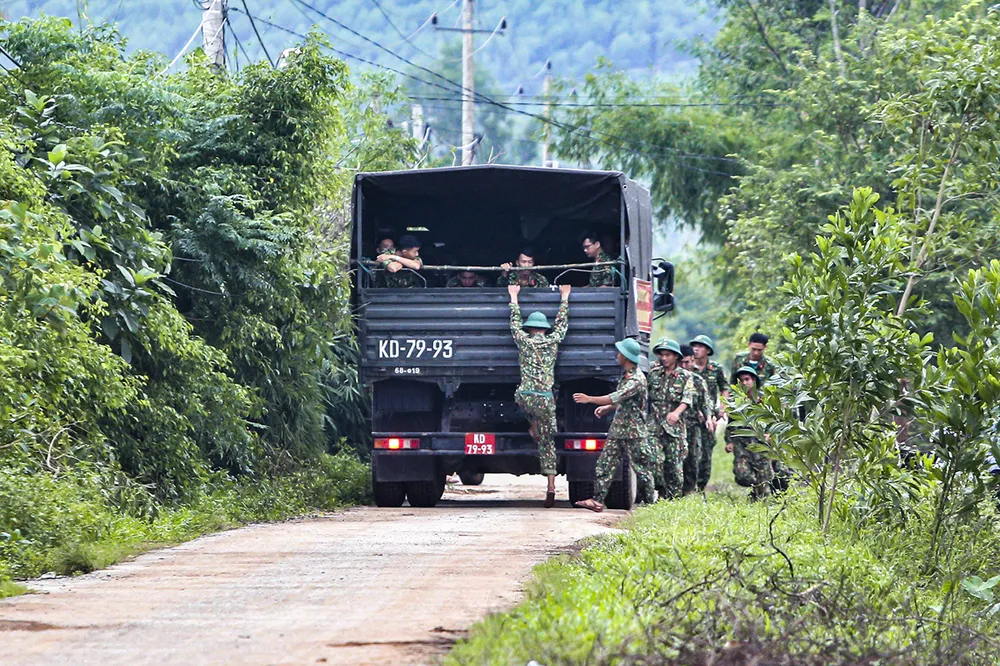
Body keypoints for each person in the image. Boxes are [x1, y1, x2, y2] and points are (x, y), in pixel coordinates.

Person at [572, 338, 658, 511]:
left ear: (626, 356)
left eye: (620, 353)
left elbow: (615, 396)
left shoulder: (636, 380)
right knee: (605, 465)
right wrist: (607, 408)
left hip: (634, 433)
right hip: (619, 430)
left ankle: (651, 505)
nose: (617, 355)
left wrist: (590, 399)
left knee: (641, 469)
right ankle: (597, 500)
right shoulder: (626, 377)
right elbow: (623, 401)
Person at [508, 283, 572, 507]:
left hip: (525, 395)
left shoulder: (524, 342)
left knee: (519, 398)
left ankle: (532, 424)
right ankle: (551, 486)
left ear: (530, 329)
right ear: (544, 329)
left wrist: (514, 297)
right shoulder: (552, 342)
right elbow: (561, 325)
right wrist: (564, 297)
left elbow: (514, 325)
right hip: (544, 397)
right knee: (547, 442)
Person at [648, 338, 695, 499]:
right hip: (654, 427)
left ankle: (672, 500)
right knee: (654, 460)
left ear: (676, 356)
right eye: (661, 354)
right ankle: (660, 491)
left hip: (675, 430)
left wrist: (676, 413)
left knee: (674, 468)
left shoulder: (685, 376)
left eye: (667, 355)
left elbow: (687, 399)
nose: (664, 358)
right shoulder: (653, 374)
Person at [725, 366, 773, 500]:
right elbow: (731, 423)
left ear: (754, 380)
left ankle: (759, 498)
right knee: (743, 475)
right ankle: (754, 490)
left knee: (764, 482)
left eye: (747, 379)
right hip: (742, 444)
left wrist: (771, 434)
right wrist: (729, 441)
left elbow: (774, 418)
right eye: (741, 381)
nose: (744, 383)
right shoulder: (736, 401)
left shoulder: (765, 398)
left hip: (761, 444)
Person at [689, 334, 729, 491]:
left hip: (710, 417)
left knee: (706, 453)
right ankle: (687, 486)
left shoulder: (716, 369)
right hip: (691, 415)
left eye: (700, 347)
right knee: (690, 452)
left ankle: (701, 487)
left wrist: (722, 408)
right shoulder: (688, 367)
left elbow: (724, 388)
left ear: (708, 350)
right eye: (694, 346)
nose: (696, 349)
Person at [680, 344, 714, 495]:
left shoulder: (698, 381)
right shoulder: (671, 378)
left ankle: (690, 490)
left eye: (687, 362)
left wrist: (708, 418)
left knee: (692, 459)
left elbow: (705, 402)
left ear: (692, 361)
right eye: (681, 362)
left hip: (692, 425)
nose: (684, 366)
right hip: (674, 426)